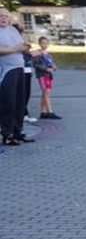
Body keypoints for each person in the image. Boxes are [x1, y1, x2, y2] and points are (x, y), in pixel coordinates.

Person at [0, 9, 35, 146]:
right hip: (6, 70)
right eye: (0, 16)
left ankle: (17, 131)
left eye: (5, 16)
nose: (3, 18)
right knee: (8, 102)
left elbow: (23, 45)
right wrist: (15, 49)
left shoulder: (12, 30)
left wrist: (25, 47)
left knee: (20, 102)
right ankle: (7, 134)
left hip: (19, 67)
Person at [33, 36, 61, 119]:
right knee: (46, 92)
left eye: (46, 43)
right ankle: (50, 111)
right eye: (42, 43)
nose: (44, 45)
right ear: (39, 44)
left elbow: (50, 63)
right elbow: (35, 64)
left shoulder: (48, 55)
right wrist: (46, 69)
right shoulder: (38, 54)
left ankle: (43, 111)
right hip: (42, 75)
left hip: (48, 75)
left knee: (45, 93)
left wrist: (53, 67)